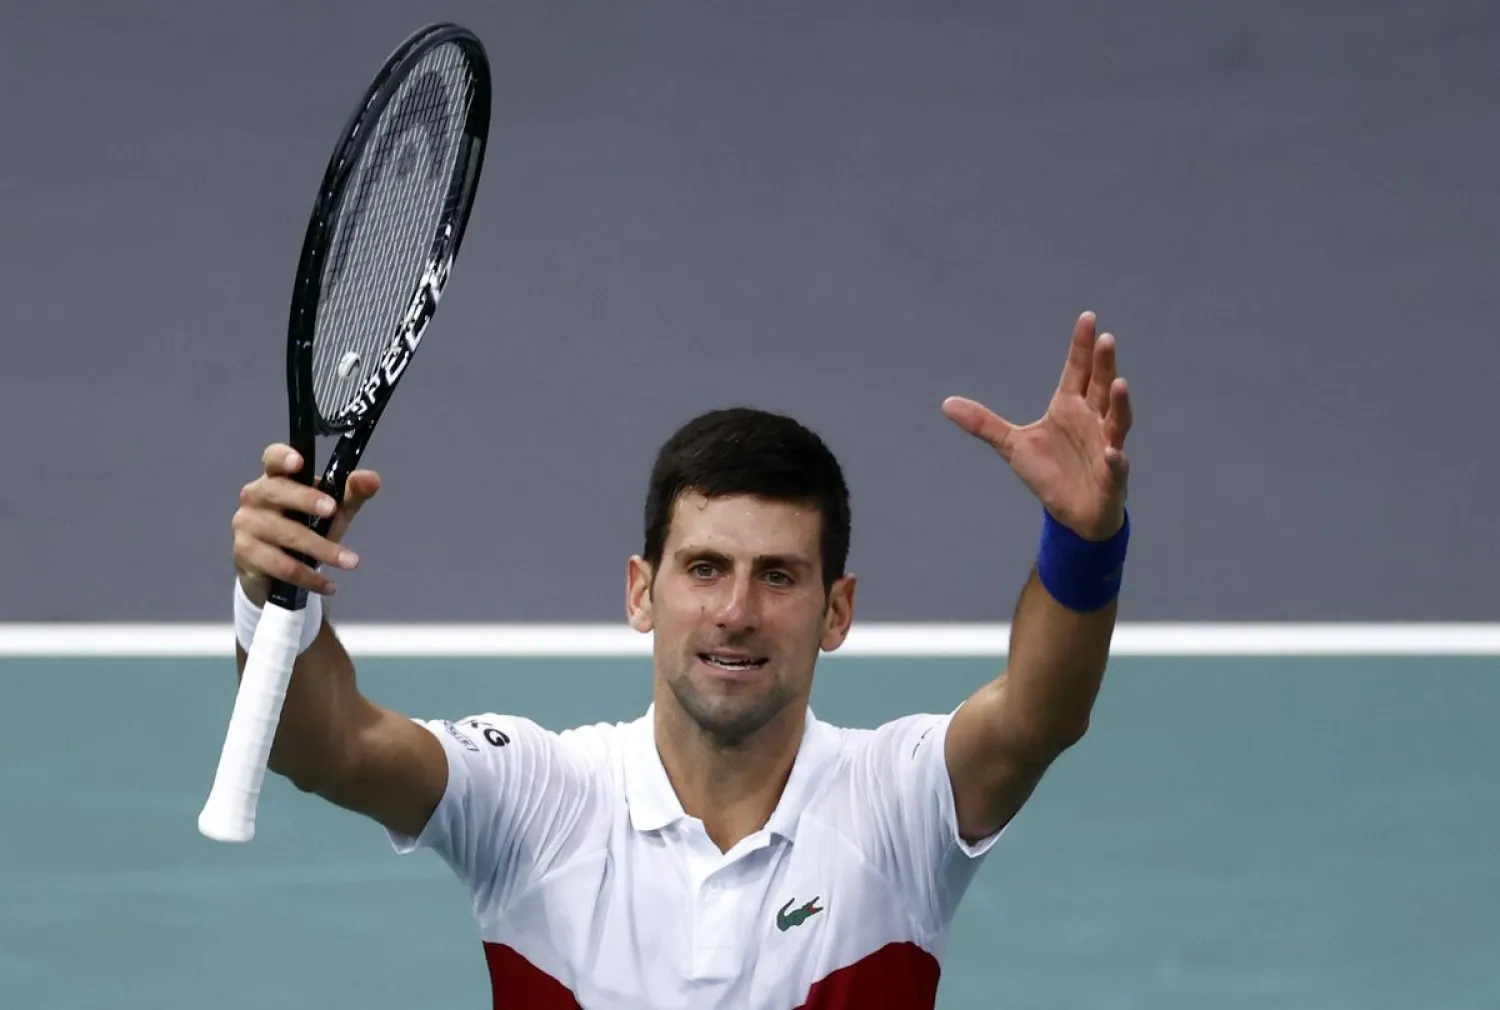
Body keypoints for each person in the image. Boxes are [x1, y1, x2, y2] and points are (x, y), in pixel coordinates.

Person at [229, 311, 1134, 1009]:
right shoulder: (539, 798)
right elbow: (327, 747)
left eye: (778, 576)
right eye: (705, 569)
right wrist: (277, 592)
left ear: (837, 611)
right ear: (641, 592)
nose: (737, 612)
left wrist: (1080, 542)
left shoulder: (893, 804)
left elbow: (1035, 720)